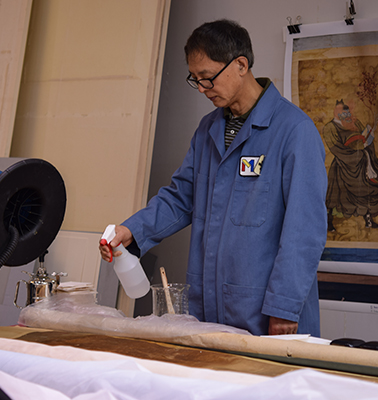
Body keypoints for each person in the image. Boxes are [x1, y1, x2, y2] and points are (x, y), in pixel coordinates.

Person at [99, 19, 328, 336]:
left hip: (267, 316)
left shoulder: (294, 131)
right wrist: (132, 231)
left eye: (208, 78)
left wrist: (284, 308)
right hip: (209, 311)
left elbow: (305, 231)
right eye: (196, 80)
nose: (203, 89)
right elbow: (180, 198)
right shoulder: (208, 129)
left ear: (241, 65)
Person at [324, 100, 378, 231]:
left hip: (361, 165)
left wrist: (368, 141)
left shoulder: (354, 122)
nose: (346, 114)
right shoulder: (330, 128)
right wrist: (355, 154)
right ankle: (328, 222)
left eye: (346, 112)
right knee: (334, 195)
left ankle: (368, 219)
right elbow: (335, 148)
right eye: (342, 112)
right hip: (343, 164)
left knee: (367, 190)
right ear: (336, 113)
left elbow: (364, 137)